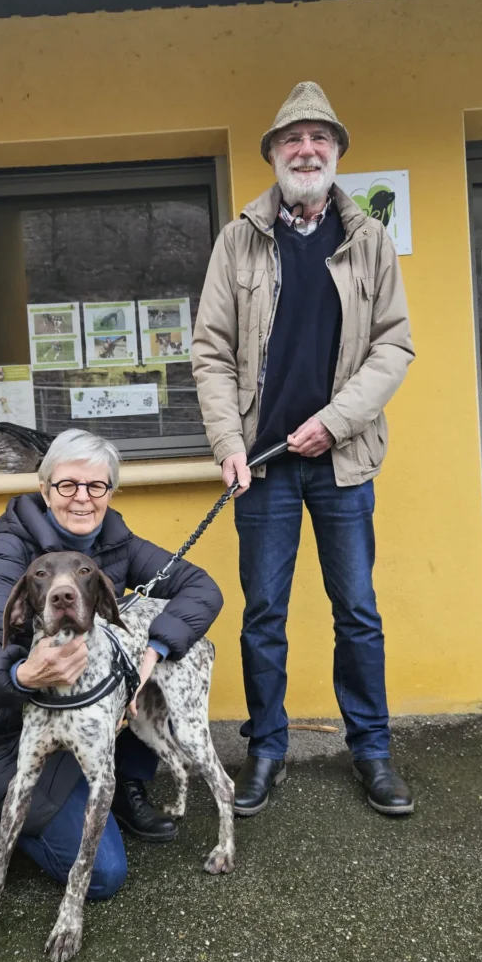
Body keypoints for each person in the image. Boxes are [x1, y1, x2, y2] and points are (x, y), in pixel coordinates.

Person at [192, 81, 415, 818]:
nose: (307, 150)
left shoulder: (370, 240)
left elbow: (393, 348)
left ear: (337, 154)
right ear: (275, 155)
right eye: (294, 139)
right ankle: (266, 750)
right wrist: (228, 442)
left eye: (320, 139)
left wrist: (336, 421)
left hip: (343, 464)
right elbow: (211, 351)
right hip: (263, 470)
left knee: (357, 611)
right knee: (264, 614)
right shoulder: (238, 239)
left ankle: (373, 753)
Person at [0, 429, 223, 899]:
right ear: (44, 487)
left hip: (92, 716)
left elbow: (202, 588)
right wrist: (21, 675)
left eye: (96, 486)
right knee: (104, 876)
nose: (82, 499)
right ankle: (6, 807)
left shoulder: (118, 541)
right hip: (15, 728)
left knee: (131, 665)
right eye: (67, 485)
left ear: (110, 492)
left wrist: (154, 652)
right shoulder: (11, 550)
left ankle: (123, 789)